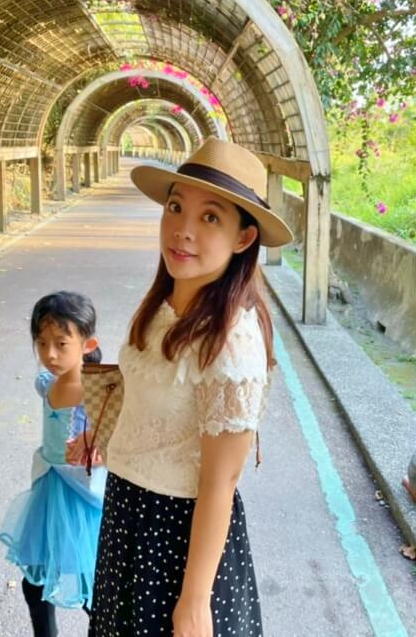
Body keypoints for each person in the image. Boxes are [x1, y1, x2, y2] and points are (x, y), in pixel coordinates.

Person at [89, 140, 293, 637]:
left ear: (244, 238)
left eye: (210, 218)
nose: (183, 229)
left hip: (176, 533)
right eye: (176, 207)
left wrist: (196, 599)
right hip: (128, 511)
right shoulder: (164, 306)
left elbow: (221, 482)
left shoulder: (231, 342)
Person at [0, 291, 107, 636]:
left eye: (62, 343)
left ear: (87, 344)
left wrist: (99, 446)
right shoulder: (47, 383)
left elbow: (119, 438)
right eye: (42, 343)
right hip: (47, 493)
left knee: (94, 586)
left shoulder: (101, 390)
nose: (50, 354)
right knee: (35, 581)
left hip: (83, 500)